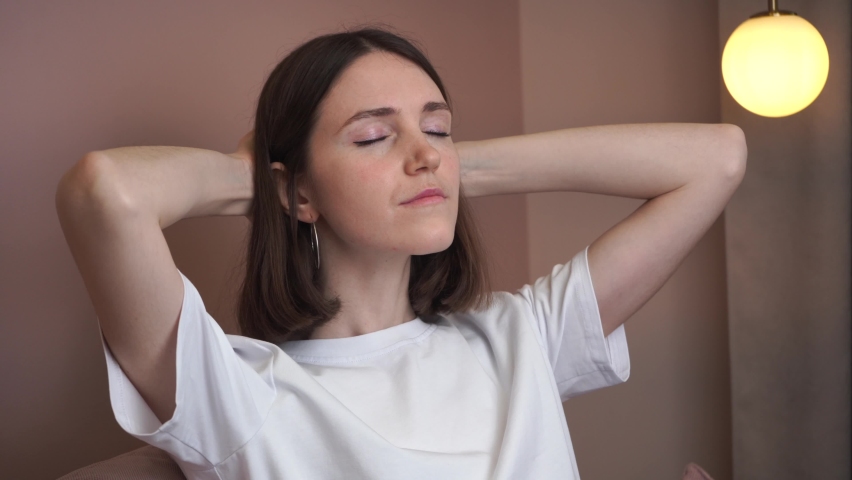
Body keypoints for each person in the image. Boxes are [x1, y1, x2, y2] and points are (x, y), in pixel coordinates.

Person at [55, 27, 746, 480]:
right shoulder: (239, 392)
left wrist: (443, 165)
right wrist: (264, 182)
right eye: (370, 137)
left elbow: (717, 159)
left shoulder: (520, 337)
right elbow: (103, 193)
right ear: (297, 191)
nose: (426, 153)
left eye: (439, 126)